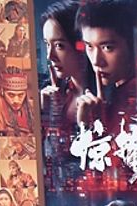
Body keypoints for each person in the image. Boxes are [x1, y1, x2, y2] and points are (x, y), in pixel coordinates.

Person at [74, 0, 137, 129]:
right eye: (89, 46)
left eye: (107, 47)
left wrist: (91, 128)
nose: (96, 60)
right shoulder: (113, 92)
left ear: (133, 45)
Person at [40, 0, 85, 131]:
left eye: (59, 45)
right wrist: (45, 113)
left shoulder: (108, 96)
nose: (50, 56)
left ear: (80, 45)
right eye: (47, 44)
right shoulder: (50, 91)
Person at [0, 70, 36, 136]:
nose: (16, 101)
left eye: (21, 95)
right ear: (2, 91)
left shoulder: (31, 107)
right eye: (11, 95)